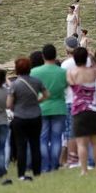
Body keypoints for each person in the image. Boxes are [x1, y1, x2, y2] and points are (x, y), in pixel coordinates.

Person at [31, 44, 67, 173]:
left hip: (42, 107)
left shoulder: (35, 72)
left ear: (43, 56)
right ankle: (54, 164)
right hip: (59, 107)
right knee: (57, 138)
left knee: (43, 138)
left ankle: (45, 165)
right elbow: (66, 86)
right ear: (55, 55)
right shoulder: (62, 71)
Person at [67, 47, 96, 175]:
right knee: (95, 142)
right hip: (94, 108)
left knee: (81, 143)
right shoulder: (93, 71)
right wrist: (93, 61)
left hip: (79, 108)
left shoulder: (72, 72)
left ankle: (84, 170)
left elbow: (71, 85)